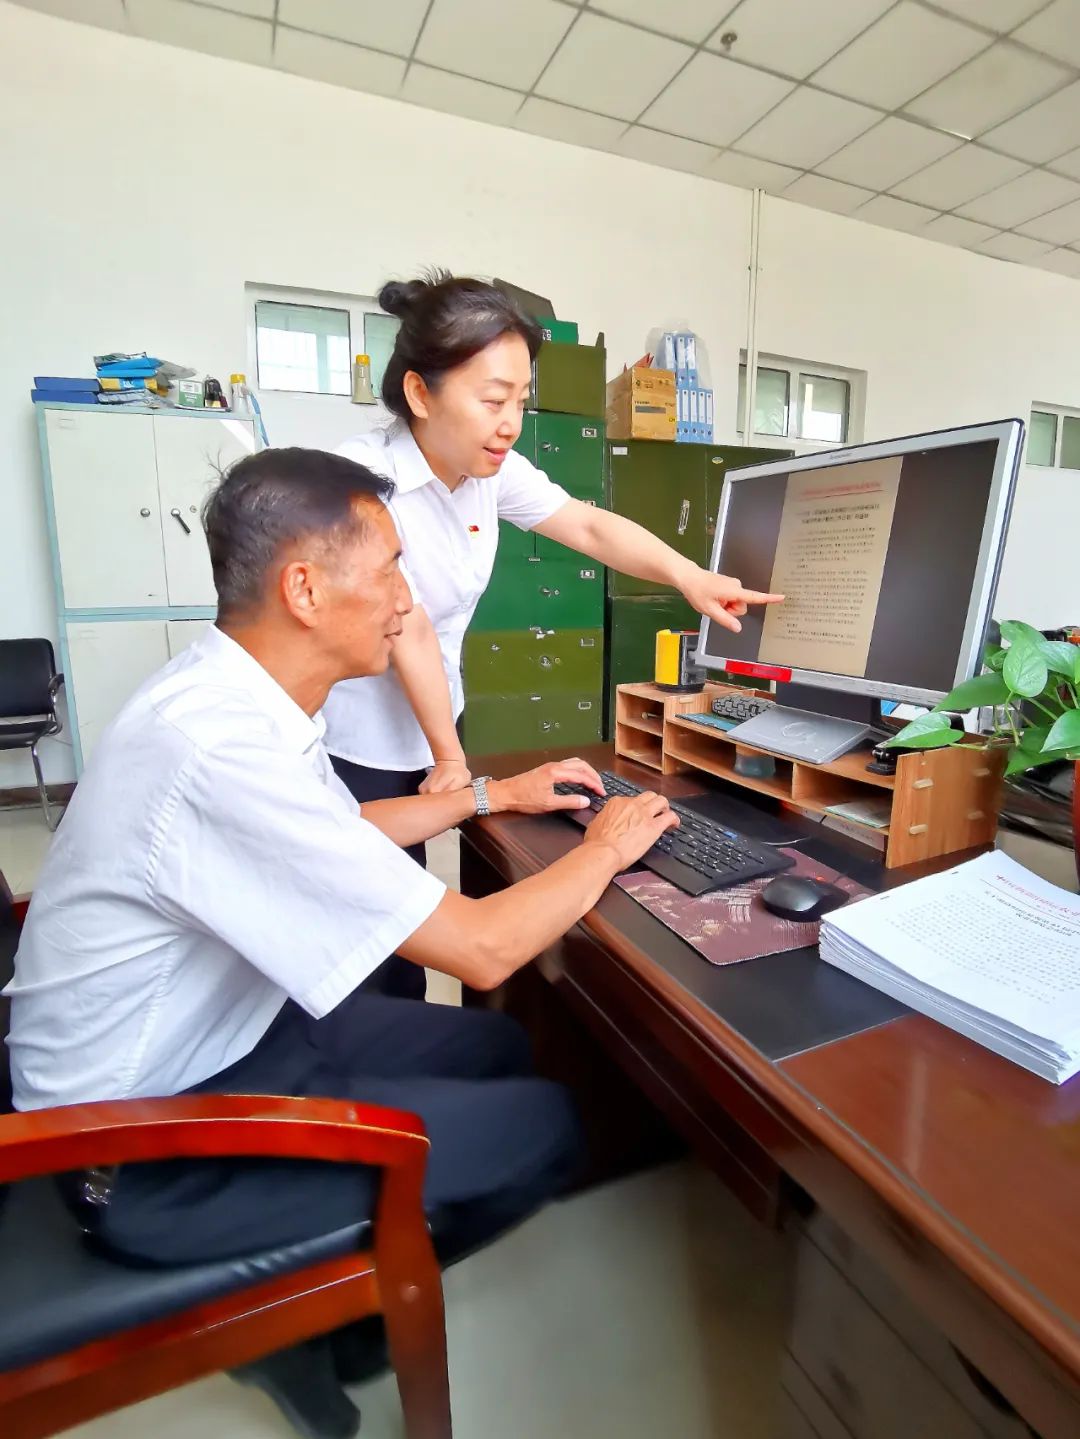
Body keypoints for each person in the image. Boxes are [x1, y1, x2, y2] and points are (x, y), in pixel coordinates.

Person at [5, 447, 680, 1439]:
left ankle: (333, 1298)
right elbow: (484, 949)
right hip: (134, 1146)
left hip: (217, 1044)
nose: (411, 599)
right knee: (544, 1123)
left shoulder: (238, 691)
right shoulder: (218, 745)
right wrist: (607, 847)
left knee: (497, 1044)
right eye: (393, 566)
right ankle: (320, 1319)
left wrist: (493, 791)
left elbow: (338, 831)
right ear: (306, 589)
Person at [327, 271, 781, 1000]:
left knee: (403, 920)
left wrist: (689, 575)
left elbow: (588, 525)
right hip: (358, 742)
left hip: (432, 722)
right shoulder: (364, 481)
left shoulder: (487, 472)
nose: (511, 422)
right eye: (492, 400)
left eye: (521, 401)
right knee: (362, 938)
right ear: (420, 393)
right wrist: (454, 761)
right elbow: (407, 628)